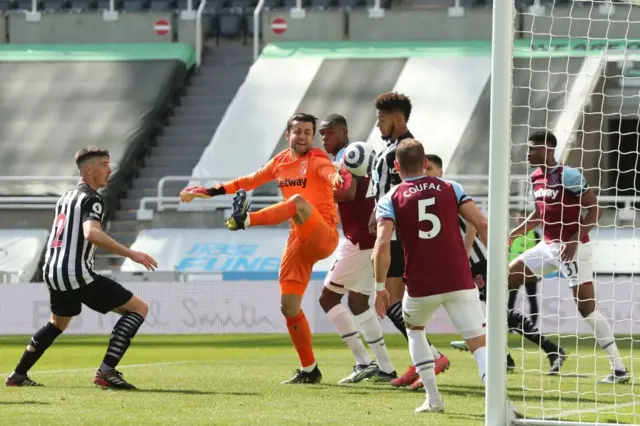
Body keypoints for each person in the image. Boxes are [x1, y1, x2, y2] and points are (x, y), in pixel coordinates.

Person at [180, 113, 350, 384]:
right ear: (288, 135)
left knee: (297, 202)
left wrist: (338, 179)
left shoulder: (318, 159)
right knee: (289, 306)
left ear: (313, 136)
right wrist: (209, 191)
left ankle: (246, 219)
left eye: (308, 131)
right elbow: (248, 181)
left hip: (323, 234)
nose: (303, 136)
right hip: (298, 240)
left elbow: (329, 174)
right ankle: (310, 369)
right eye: (298, 131)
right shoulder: (280, 162)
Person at [372, 139, 518, 419]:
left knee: (415, 330)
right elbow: (483, 223)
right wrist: (499, 262)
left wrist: (380, 287)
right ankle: (502, 406)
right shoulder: (452, 188)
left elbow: (381, 244)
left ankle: (434, 398)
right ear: (425, 163)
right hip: (459, 279)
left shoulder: (389, 198)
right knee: (478, 342)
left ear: (396, 166)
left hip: (419, 283)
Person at [5, 148, 157, 390]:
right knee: (139, 308)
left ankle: (18, 375)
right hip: (75, 273)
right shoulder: (92, 199)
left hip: (52, 272)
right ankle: (107, 371)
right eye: (105, 164)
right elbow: (91, 233)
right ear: (89, 170)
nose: (109, 169)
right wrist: (132, 254)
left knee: (58, 322)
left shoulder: (65, 197)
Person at [425, 154, 565, 376]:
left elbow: (473, 222)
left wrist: (466, 252)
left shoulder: (449, 189)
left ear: (441, 171)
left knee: (498, 311)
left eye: (430, 168)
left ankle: (552, 350)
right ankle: (506, 358)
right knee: (485, 313)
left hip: (477, 261)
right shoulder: (428, 197)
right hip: (461, 264)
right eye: (424, 168)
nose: (426, 172)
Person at [509, 130, 630, 384]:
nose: (528, 153)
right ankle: (490, 346)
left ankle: (619, 369)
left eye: (533, 149)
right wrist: (515, 233)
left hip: (574, 248)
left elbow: (594, 209)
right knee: (500, 280)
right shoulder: (535, 177)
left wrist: (575, 239)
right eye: (528, 149)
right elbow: (539, 214)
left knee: (586, 309)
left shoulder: (569, 175)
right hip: (547, 247)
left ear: (548, 149)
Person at [367, 92, 449, 388]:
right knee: (399, 303)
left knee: (387, 301)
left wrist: (383, 222)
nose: (377, 124)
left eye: (381, 118)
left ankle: (432, 356)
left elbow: (407, 191)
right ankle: (421, 361)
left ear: (398, 118)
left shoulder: (403, 151)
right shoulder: (388, 148)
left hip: (399, 237)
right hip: (393, 232)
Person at [317, 114, 397, 384]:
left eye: (328, 133)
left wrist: (314, 192)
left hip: (359, 240)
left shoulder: (345, 158)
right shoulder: (362, 154)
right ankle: (385, 367)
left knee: (327, 299)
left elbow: (349, 193)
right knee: (358, 302)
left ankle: (363, 361)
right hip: (368, 238)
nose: (323, 138)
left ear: (344, 131)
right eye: (322, 134)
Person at [508, 209, 541, 324]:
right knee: (511, 299)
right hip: (514, 270)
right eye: (519, 218)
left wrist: (540, 272)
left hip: (530, 271)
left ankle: (533, 327)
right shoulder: (511, 234)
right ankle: (510, 327)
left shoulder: (535, 234)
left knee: (532, 298)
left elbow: (541, 253)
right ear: (516, 219)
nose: (521, 220)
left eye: (524, 218)